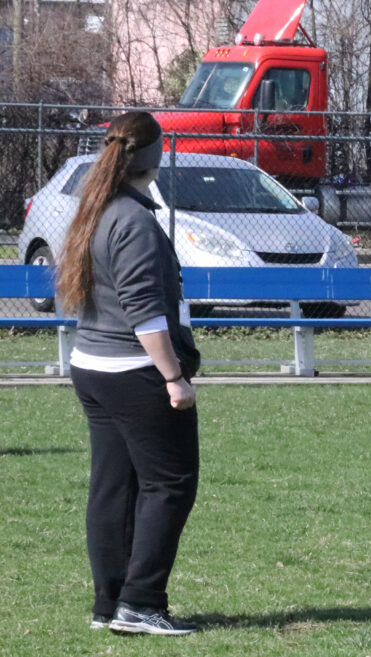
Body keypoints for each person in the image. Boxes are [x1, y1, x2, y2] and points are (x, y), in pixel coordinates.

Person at [56, 111, 201, 635]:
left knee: (113, 486)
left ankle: (110, 604)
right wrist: (173, 378)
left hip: (92, 366)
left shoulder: (97, 209)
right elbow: (144, 310)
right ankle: (140, 604)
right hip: (134, 370)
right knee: (170, 484)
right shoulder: (134, 220)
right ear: (155, 156)